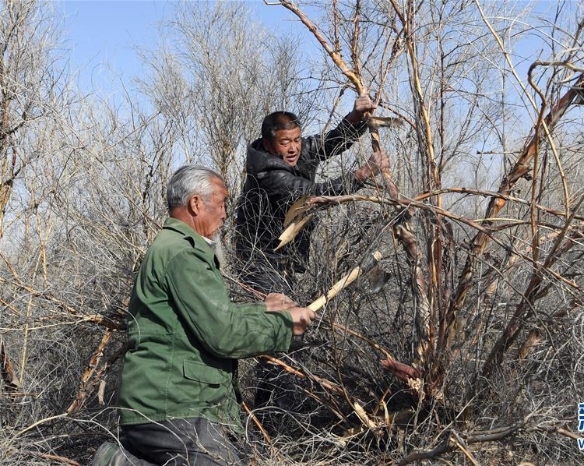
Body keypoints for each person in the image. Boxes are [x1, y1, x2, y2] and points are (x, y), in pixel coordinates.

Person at [92, 165, 316, 466]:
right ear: (196, 203)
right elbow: (224, 334)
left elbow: (206, 318)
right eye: (222, 203)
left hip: (163, 403)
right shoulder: (183, 253)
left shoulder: (173, 248)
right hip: (173, 406)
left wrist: (265, 309)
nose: (225, 214)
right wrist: (285, 326)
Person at [234, 94, 390, 296]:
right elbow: (315, 195)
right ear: (267, 144)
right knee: (277, 319)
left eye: (297, 140)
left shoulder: (297, 150)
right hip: (261, 265)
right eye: (285, 142)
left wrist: (355, 117)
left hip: (285, 261)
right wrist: (362, 174)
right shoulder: (268, 174)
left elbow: (331, 143)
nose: (293, 148)